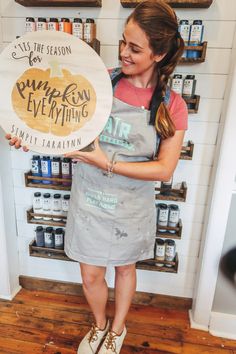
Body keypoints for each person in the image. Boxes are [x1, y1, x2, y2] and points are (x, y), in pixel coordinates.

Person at [6, 1, 188, 353]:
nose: (123, 52)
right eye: (123, 42)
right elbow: (63, 129)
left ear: (159, 53)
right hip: (89, 201)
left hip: (131, 209)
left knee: (123, 270)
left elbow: (164, 169)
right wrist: (27, 133)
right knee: (90, 273)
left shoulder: (171, 104)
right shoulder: (99, 83)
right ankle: (99, 326)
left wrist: (106, 161)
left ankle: (117, 330)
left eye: (135, 48)